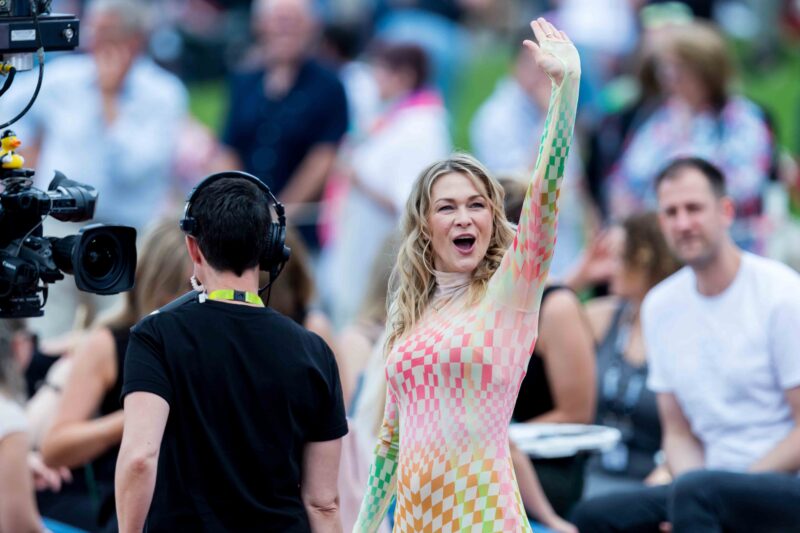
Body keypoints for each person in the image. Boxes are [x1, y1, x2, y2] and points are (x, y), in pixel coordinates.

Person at [353, 18, 580, 532]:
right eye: (447, 207)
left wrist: (565, 91)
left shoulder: (508, 296)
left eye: (477, 205)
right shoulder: (411, 309)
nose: (464, 218)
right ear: (425, 226)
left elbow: (544, 199)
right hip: (415, 523)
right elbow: (390, 445)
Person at [571, 157, 800, 532]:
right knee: (593, 515)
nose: (683, 223)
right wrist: (692, 492)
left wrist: (726, 493)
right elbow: (677, 432)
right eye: (671, 213)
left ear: (725, 212)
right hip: (702, 486)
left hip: (782, 484)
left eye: (694, 209)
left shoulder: (781, 294)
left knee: (698, 493)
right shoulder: (661, 305)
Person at [115, 173, 348, 531]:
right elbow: (324, 503)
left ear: (193, 248)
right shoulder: (315, 350)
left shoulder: (155, 336)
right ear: (269, 248)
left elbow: (139, 459)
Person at [4, 0, 188, 340]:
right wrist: (20, 156)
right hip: (57, 226)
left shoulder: (163, 93)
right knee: (46, 329)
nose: (91, 39)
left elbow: (134, 169)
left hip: (125, 235)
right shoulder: (63, 78)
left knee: (121, 333)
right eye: (91, 29)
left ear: (134, 39)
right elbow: (9, 110)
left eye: (105, 32)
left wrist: (109, 99)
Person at [39, 220, 191, 532]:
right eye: (186, 291)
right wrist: (135, 417)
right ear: (155, 286)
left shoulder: (211, 338)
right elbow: (55, 447)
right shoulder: (108, 343)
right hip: (129, 507)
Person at [605, 20, 774, 251]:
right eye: (665, 68)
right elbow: (624, 180)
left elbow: (745, 187)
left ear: (705, 70)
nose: (668, 77)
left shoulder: (740, 118)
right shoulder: (662, 119)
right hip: (663, 248)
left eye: (678, 68)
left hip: (731, 245)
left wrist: (677, 203)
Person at [322, 42, 450, 328]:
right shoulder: (394, 117)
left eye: (380, 71)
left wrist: (357, 179)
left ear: (404, 76)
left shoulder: (422, 127)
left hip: (383, 252)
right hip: (361, 242)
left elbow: (413, 202)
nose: (374, 79)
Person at [501, 178, 596, 516]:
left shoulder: (557, 308)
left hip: (552, 465)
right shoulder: (491, 303)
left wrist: (498, 437)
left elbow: (576, 414)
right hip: (505, 454)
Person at [223, 0, 348, 249]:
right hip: (245, 224)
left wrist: (278, 215)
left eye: (294, 20)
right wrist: (243, 206)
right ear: (260, 25)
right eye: (279, 20)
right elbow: (228, 148)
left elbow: (324, 157)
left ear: (311, 27)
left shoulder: (329, 86)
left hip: (301, 230)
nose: (286, 28)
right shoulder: (244, 80)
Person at [577, 213, 681, 497]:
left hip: (654, 485)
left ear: (647, 262)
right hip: (590, 480)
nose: (611, 268)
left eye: (619, 257)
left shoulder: (686, 330)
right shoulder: (606, 316)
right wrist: (581, 275)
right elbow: (534, 323)